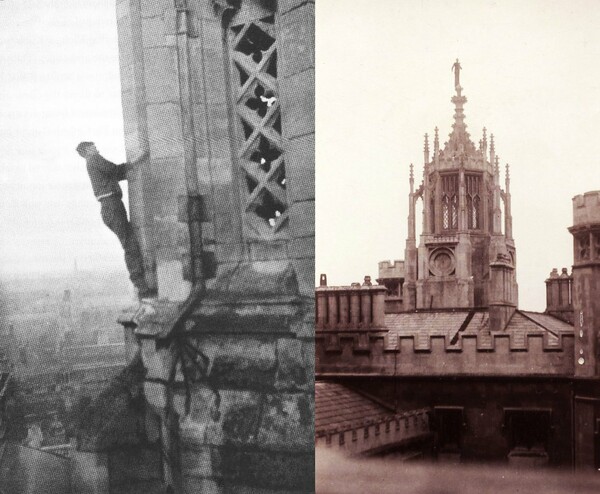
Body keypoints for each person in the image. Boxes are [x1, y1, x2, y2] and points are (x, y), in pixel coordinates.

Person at [76, 141, 156, 300]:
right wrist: (137, 160)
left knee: (129, 243)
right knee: (130, 244)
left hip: (110, 207)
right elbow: (114, 169)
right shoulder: (94, 159)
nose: (96, 147)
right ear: (87, 150)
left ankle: (141, 285)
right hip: (111, 205)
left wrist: (132, 165)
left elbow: (116, 174)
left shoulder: (92, 163)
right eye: (92, 146)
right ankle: (141, 286)